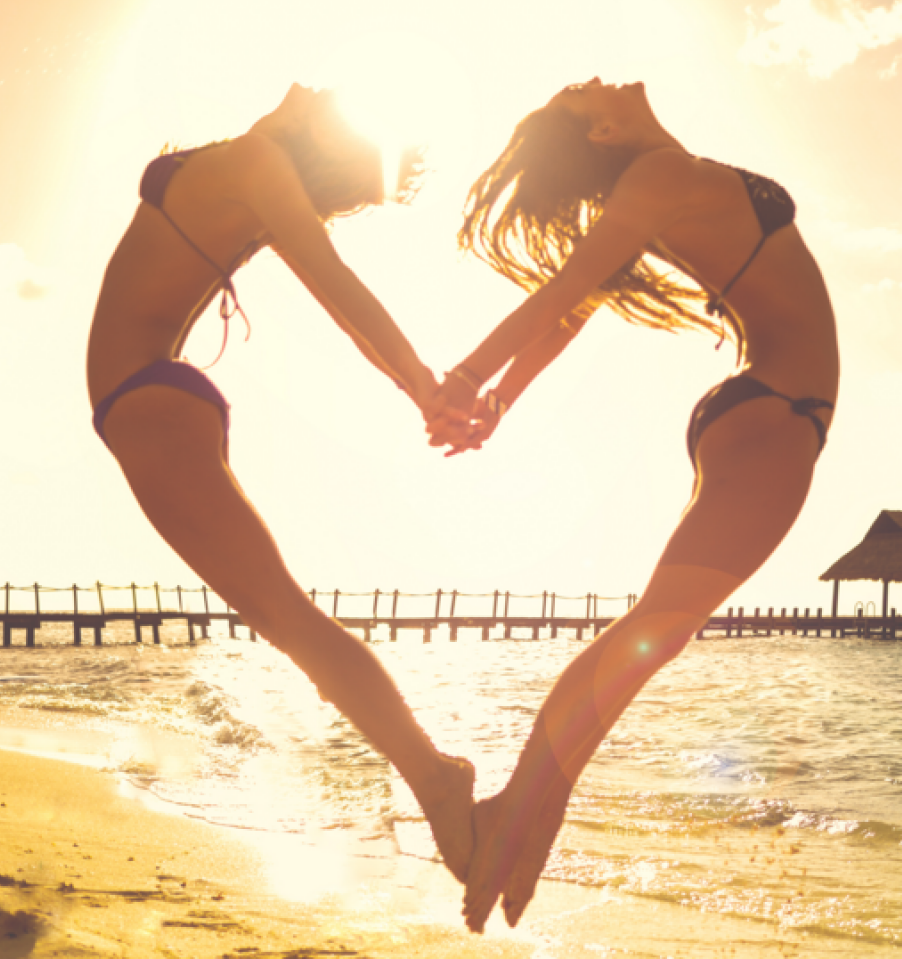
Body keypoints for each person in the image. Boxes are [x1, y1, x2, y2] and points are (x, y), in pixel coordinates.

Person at [427, 78, 839, 931]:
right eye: (580, 99)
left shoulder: (663, 175)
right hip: (778, 412)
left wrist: (500, 400)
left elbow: (572, 310)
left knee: (656, 632)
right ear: (606, 130)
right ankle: (520, 806)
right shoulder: (654, 175)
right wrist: (469, 378)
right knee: (655, 631)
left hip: (762, 411)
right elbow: (562, 291)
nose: (588, 82)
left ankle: (529, 810)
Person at [87, 84, 475, 881]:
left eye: (332, 100)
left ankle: (435, 778)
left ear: (315, 136)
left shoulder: (261, 165)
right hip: (148, 402)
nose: (319, 87)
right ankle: (428, 774)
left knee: (287, 619)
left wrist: (423, 386)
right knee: (282, 618)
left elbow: (338, 289)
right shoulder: (251, 160)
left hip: (148, 402)